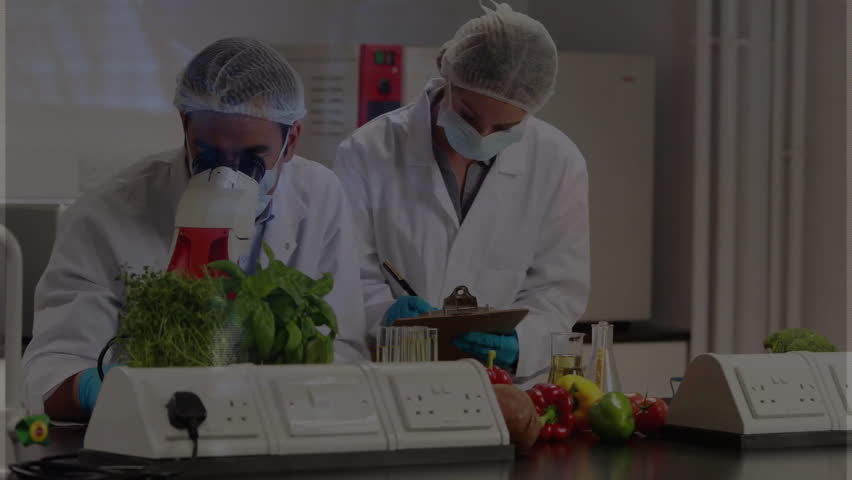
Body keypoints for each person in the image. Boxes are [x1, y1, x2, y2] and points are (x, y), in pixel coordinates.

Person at [23, 38, 369, 420]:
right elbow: (51, 370)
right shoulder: (105, 215)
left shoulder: (320, 195)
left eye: (253, 160)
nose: (228, 175)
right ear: (185, 125)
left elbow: (343, 347)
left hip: (280, 425)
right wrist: (99, 389)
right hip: (145, 429)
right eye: (208, 156)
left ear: (291, 142)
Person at [334, 2, 590, 381]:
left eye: (504, 128)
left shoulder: (558, 161)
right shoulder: (368, 151)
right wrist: (384, 314)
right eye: (469, 116)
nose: (481, 135)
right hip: (395, 378)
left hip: (504, 387)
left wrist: (523, 340)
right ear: (448, 77)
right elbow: (348, 273)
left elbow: (558, 288)